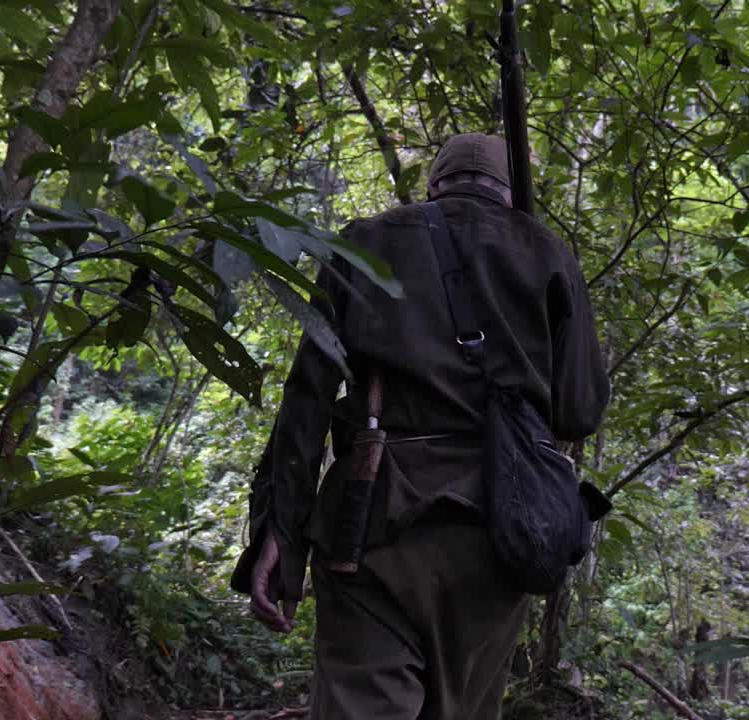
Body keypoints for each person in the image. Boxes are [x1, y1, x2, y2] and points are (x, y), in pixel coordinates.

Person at [230, 133, 609, 719]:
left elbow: (308, 397)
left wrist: (280, 528)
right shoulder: (547, 251)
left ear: (434, 185)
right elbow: (579, 412)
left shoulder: (365, 240)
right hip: (504, 529)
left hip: (373, 519)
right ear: (509, 195)